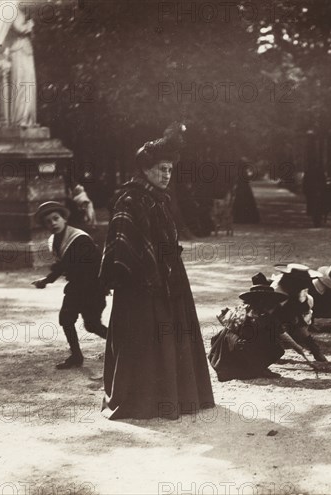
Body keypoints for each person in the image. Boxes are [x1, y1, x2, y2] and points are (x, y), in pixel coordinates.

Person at [99, 125, 214, 420]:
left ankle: (177, 397)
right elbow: (122, 246)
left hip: (170, 278)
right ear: (145, 170)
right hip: (140, 285)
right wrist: (137, 278)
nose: (166, 175)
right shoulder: (129, 199)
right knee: (144, 339)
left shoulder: (159, 199)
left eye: (169, 170)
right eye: (161, 169)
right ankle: (144, 401)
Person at [32, 201, 107, 369]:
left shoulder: (78, 238)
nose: (53, 223)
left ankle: (122, 347)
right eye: (48, 221)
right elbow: (62, 265)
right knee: (66, 319)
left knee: (92, 325)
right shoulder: (55, 240)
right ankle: (76, 356)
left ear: (64, 218)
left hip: (93, 287)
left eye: (56, 218)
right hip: (76, 287)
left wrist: (48, 279)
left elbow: (69, 265)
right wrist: (46, 280)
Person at [209, 284, 308, 381]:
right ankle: (258, 369)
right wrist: (297, 347)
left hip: (227, 352)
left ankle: (250, 368)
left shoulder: (240, 310)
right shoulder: (264, 317)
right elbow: (282, 334)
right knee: (275, 346)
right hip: (241, 350)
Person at [271, 264, 328, 362]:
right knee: (273, 328)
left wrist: (297, 320)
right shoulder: (278, 290)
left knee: (299, 325)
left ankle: (315, 349)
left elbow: (300, 309)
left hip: (290, 309)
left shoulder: (300, 289)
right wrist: (295, 346)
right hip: (272, 314)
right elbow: (271, 314)